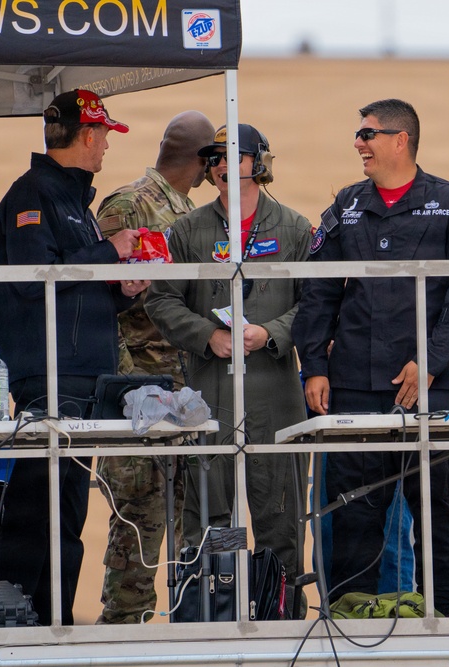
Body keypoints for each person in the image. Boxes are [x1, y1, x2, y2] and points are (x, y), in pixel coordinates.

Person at [291, 99, 449, 615]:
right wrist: (313, 364)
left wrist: (429, 361)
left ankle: (439, 610)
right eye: (358, 134)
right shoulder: (347, 205)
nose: (359, 143)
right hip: (354, 381)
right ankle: (354, 609)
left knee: (432, 503)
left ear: (401, 140)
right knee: (355, 503)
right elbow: (318, 290)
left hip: (429, 381)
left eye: (368, 134)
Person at [0, 89, 144, 625]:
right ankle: (16, 622)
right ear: (85, 136)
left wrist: (124, 289)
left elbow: (74, 287)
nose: (106, 148)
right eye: (103, 136)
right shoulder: (33, 194)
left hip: (81, 378)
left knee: (67, 511)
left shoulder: (73, 200)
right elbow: (36, 282)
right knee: (38, 509)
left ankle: (52, 622)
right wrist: (110, 251)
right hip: (52, 379)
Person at [144, 123, 312, 614]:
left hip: (275, 393)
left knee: (279, 521)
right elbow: (161, 298)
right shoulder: (189, 229)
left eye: (234, 154)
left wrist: (272, 332)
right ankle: (213, 620)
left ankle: (282, 626)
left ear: (259, 161)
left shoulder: (296, 228)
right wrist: (207, 336)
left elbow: (317, 302)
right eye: (214, 156)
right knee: (214, 524)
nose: (221, 163)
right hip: (212, 391)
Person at [93, 110, 215, 624]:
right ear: (205, 161)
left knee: (195, 516)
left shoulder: (188, 211)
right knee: (138, 518)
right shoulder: (129, 205)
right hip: (139, 393)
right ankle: (124, 626)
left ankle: (192, 621)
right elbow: (104, 298)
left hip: (187, 392)